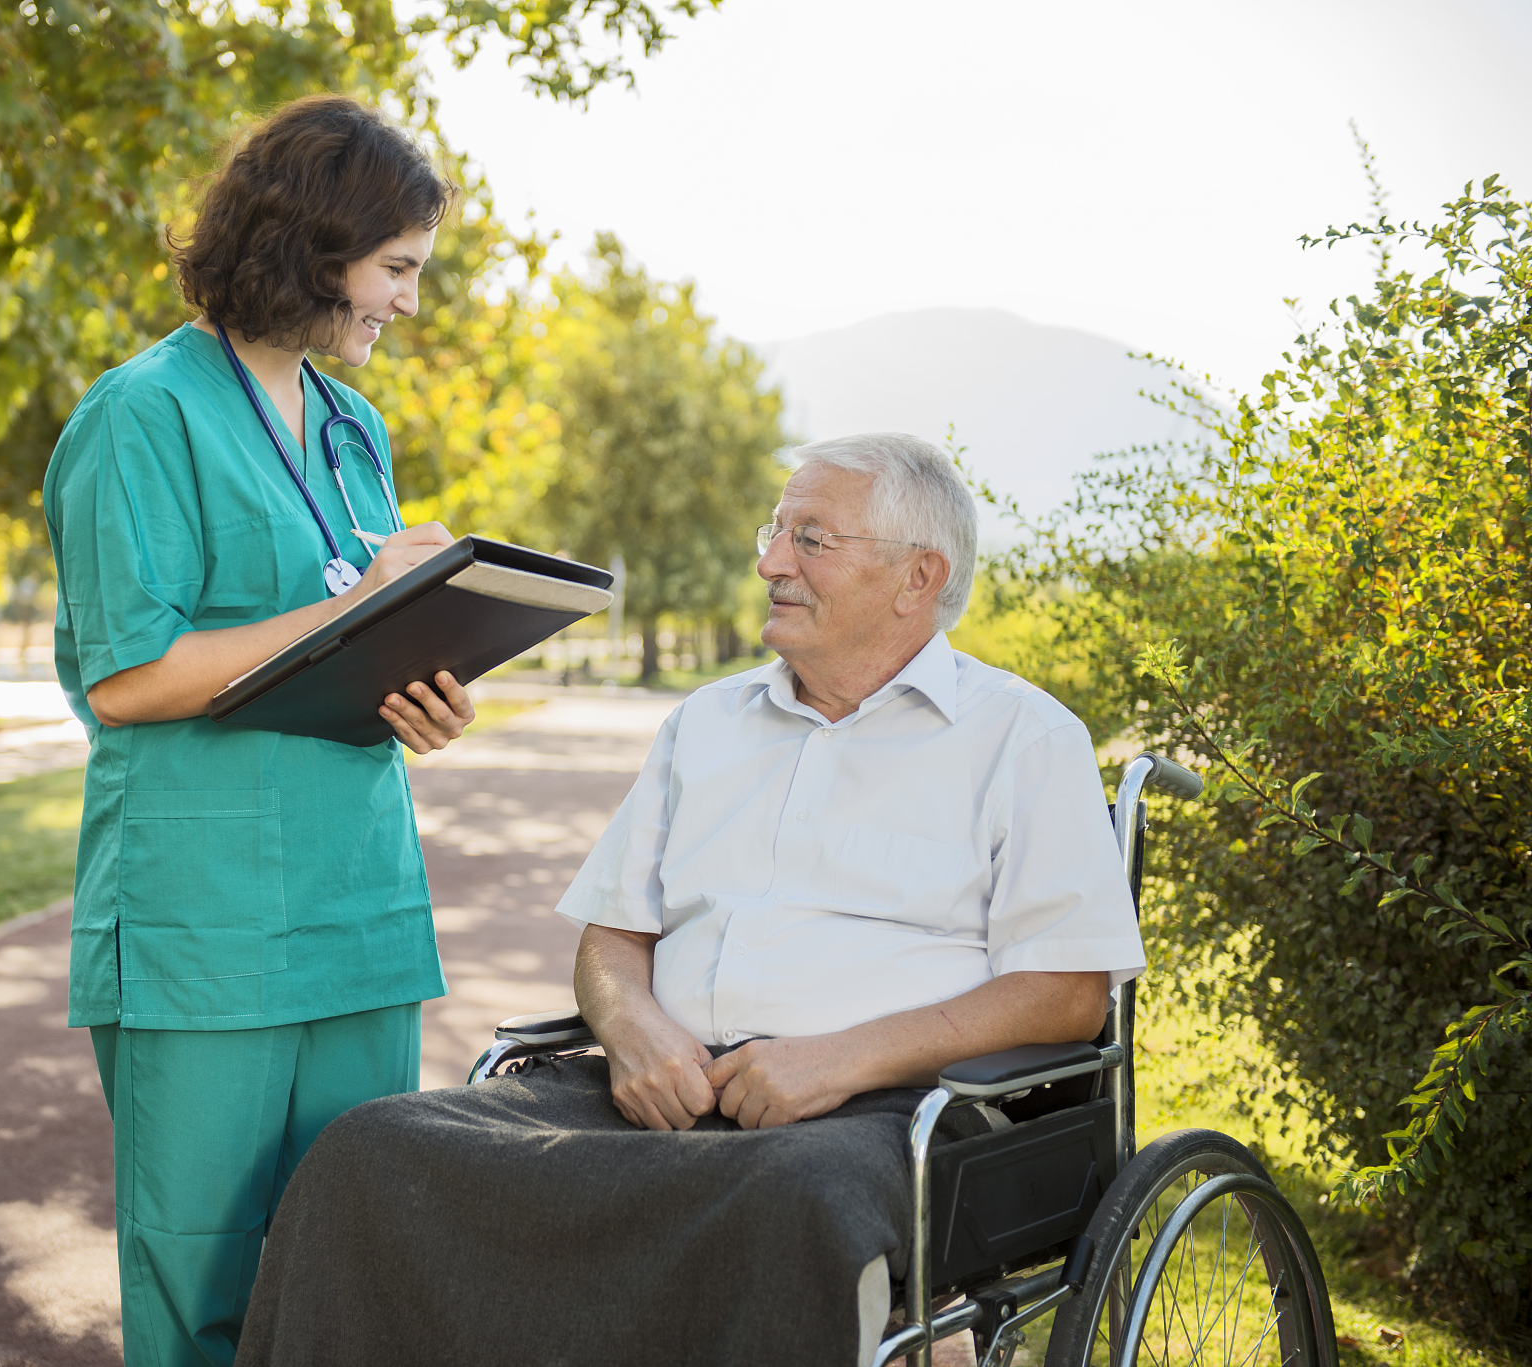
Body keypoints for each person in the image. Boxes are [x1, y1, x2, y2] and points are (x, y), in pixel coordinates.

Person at [235, 433, 1148, 1367]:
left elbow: (1067, 994)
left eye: (810, 538)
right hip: (665, 1087)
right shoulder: (708, 721)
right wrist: (630, 1026)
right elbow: (613, 936)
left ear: (919, 576)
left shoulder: (1024, 739)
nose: (771, 562)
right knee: (368, 1152)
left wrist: (838, 1058)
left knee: (795, 1204)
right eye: (774, 532)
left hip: (890, 1112)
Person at [41, 95, 475, 1367]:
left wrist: (418, 682)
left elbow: (340, 642)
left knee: (354, 1265)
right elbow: (130, 677)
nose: (407, 302)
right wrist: (357, 606)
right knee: (203, 1283)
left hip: (357, 906)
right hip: (207, 921)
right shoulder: (140, 414)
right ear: (313, 244)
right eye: (395, 268)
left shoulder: (354, 428)